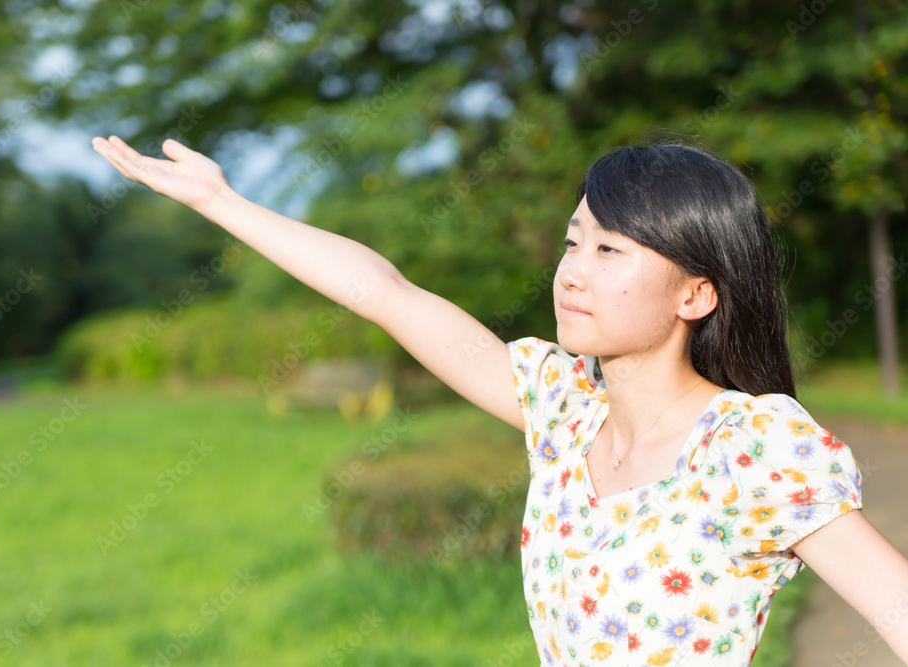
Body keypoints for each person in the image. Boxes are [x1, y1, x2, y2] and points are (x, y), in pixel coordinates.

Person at [91, 134, 908, 666]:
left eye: (610, 249)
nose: (573, 270)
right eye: (573, 241)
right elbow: (386, 291)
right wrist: (222, 202)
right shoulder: (561, 407)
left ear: (695, 293)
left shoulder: (752, 447)